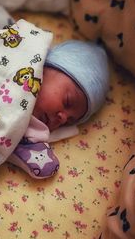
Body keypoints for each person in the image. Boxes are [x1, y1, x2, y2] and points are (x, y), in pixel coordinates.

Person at [10, 40, 110, 179]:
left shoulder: (31, 131)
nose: (62, 118)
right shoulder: (13, 61)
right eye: (67, 102)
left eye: (69, 121)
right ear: (44, 69)